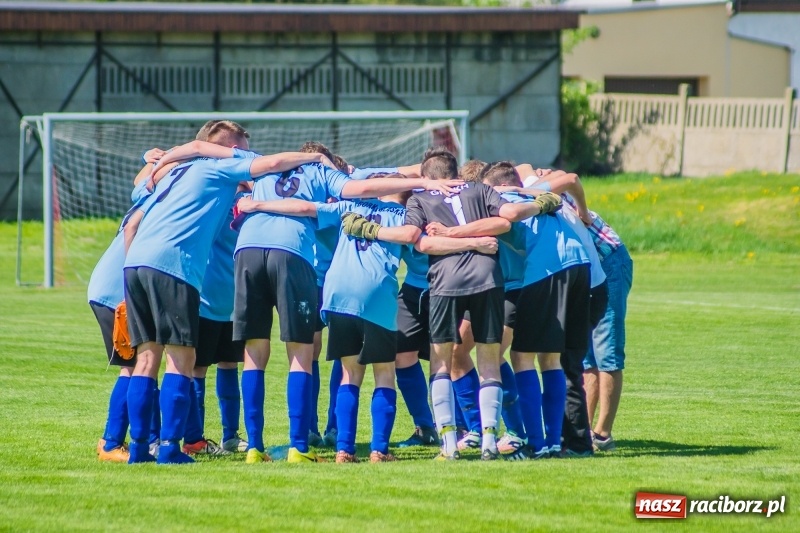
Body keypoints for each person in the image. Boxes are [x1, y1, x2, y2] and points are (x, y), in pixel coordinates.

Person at [230, 151, 463, 464]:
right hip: (376, 296)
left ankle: (343, 449)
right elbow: (418, 242)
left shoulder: (347, 207)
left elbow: (303, 208)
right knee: (383, 374)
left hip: (337, 295)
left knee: (348, 375)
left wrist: (258, 205)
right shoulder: (404, 214)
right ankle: (380, 450)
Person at [123, 122, 332, 464]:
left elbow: (138, 189)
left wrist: (155, 159)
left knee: (146, 359)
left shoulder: (172, 172)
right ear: (224, 148)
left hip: (134, 263)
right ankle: (171, 449)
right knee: (182, 359)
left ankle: (138, 450)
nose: (244, 154)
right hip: (173, 263)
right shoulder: (220, 167)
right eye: (239, 148)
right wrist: (317, 161)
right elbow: (270, 165)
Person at [344, 148, 562, 460]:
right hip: (488, 276)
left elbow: (421, 241)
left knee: (441, 363)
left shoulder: (420, 199)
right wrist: (536, 204)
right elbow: (506, 221)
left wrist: (371, 228)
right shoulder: (481, 189)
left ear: (429, 177)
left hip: (445, 281)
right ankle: (489, 441)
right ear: (455, 172)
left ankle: (449, 444)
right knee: (490, 361)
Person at [481, 161, 591, 459]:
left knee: (520, 356)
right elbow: (570, 179)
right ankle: (554, 442)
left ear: (492, 187)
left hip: (547, 271)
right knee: (551, 358)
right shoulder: (533, 191)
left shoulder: (502, 200)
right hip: (581, 267)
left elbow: (502, 222)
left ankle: (536, 444)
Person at [521, 169, 632, 452]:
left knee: (606, 352)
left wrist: (582, 211)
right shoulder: (522, 190)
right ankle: (581, 432)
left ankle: (602, 434)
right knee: (581, 358)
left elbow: (570, 178)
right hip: (581, 269)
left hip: (607, 260)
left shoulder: (530, 186)